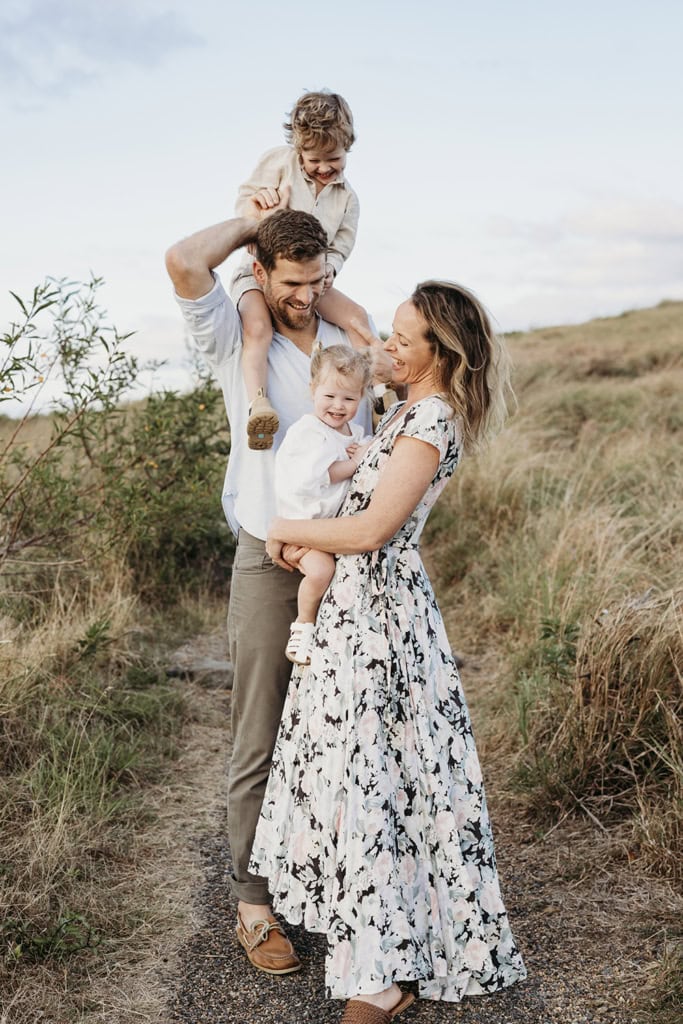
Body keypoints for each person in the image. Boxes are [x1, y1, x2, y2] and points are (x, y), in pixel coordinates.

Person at [253, 282, 527, 1022]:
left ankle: (384, 973)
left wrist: (291, 530)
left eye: (402, 340)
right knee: (366, 771)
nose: (386, 349)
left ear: (440, 354)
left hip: (384, 617)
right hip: (353, 611)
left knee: (381, 771)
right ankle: (379, 937)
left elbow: (374, 530)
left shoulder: (431, 419)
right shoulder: (400, 409)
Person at [165, 203, 379, 977]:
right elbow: (185, 261)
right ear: (260, 273)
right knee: (259, 731)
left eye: (318, 279)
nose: (305, 294)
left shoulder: (348, 340)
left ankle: (343, 887)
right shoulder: (234, 336)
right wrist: (247, 222)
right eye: (291, 281)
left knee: (350, 728)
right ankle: (254, 906)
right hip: (268, 558)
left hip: (350, 559)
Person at [231, 89, 373, 450]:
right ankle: (258, 404)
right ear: (298, 150)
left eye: (334, 159)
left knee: (357, 317)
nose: (324, 168)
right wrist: (256, 212)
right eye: (314, 159)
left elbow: (342, 242)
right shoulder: (278, 163)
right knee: (258, 329)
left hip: (314, 280)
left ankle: (377, 392)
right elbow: (245, 203)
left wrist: (332, 268)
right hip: (260, 272)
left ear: (348, 149)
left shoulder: (348, 199)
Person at [274, 345, 372, 666]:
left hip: (328, 527)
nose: (338, 406)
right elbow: (325, 474)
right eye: (329, 396)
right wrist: (355, 463)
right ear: (313, 389)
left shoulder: (352, 433)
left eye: (349, 399)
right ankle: (303, 626)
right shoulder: (309, 432)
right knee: (321, 570)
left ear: (361, 397)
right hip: (304, 524)